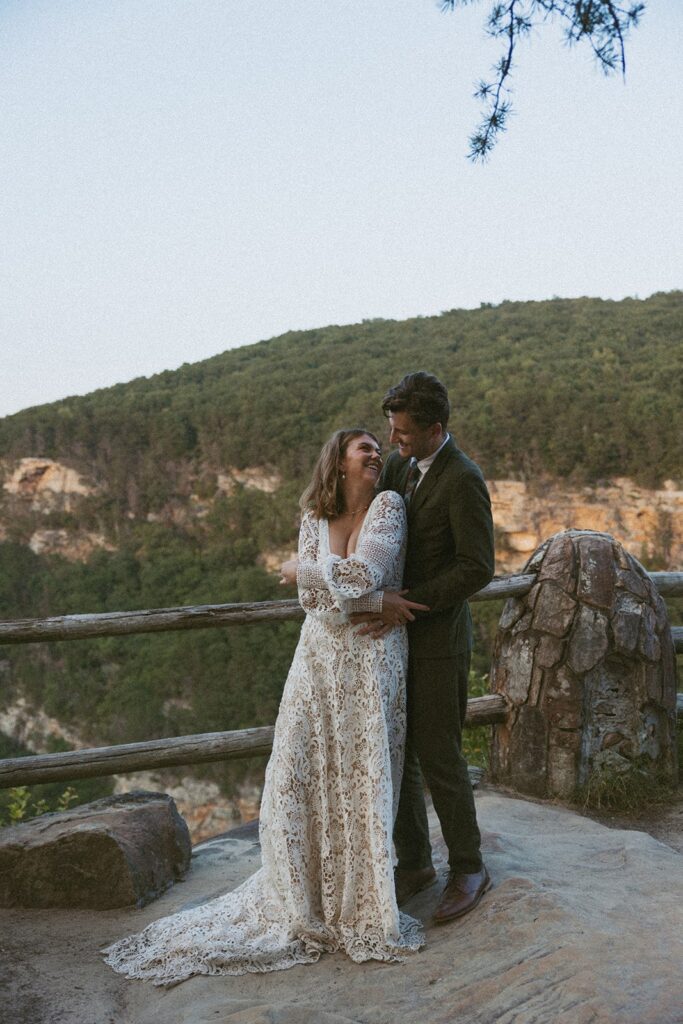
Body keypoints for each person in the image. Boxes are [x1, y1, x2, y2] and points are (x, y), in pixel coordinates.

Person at [103, 428, 424, 984]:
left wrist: (309, 572)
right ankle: (304, 900)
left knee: (361, 777)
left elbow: (361, 573)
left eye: (378, 447)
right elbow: (313, 601)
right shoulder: (313, 520)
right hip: (317, 660)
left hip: (371, 660)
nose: (375, 454)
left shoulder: (388, 507)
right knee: (294, 775)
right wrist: (366, 598)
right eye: (363, 448)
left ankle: (359, 901)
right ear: (339, 462)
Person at [349, 372, 495, 924]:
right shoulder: (398, 467)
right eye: (391, 430)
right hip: (392, 641)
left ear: (436, 429)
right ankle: (414, 864)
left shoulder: (464, 479)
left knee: (440, 755)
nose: (394, 441)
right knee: (399, 752)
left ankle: (470, 867)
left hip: (438, 642)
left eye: (405, 432)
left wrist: (410, 601)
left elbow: (478, 566)